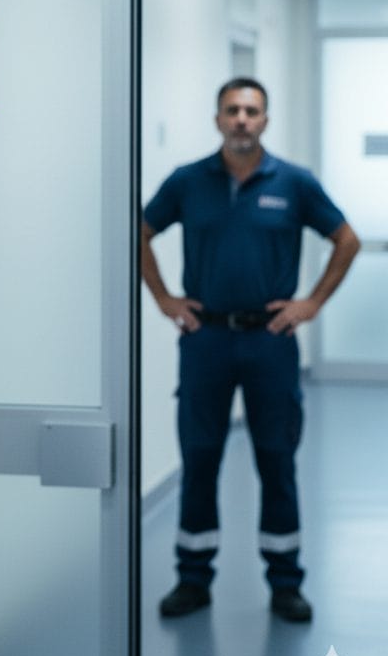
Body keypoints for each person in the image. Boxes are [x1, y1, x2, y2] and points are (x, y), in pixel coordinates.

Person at [141, 77, 359, 623]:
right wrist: (165, 297)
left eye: (252, 111)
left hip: (270, 341)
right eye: (232, 110)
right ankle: (193, 579)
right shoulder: (188, 182)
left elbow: (346, 240)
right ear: (217, 119)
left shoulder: (294, 183)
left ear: (266, 119)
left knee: (276, 460)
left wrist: (310, 303)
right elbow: (138, 232)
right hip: (206, 340)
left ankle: (285, 582)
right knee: (200, 459)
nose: (242, 119)